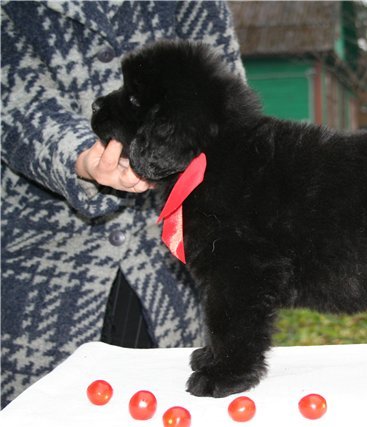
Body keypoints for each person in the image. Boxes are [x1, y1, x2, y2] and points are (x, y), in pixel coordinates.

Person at [1, 1, 245, 408]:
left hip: (171, 262)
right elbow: (14, 98)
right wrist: (82, 157)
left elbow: (223, 96)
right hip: (44, 266)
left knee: (169, 405)